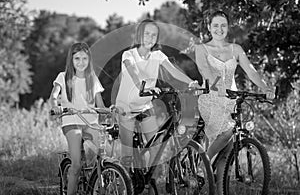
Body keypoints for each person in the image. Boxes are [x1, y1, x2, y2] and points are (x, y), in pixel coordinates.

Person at [194, 11, 275, 195]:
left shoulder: (235, 49)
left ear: (228, 27)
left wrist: (265, 88)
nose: (219, 29)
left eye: (223, 25)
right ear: (209, 27)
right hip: (211, 98)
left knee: (227, 152)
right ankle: (204, 162)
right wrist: (218, 86)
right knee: (229, 130)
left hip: (231, 99)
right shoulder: (201, 49)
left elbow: (251, 71)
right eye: (215, 25)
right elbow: (205, 71)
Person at [116, 19, 199, 169]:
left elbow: (174, 72)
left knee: (155, 152)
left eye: (154, 35)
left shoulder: (158, 55)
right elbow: (133, 72)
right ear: (140, 35)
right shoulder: (129, 54)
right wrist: (145, 86)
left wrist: (192, 83)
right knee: (127, 156)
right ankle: (123, 186)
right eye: (147, 34)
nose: (150, 38)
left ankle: (148, 184)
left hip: (145, 106)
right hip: (126, 108)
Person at [50, 42, 109, 195]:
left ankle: (97, 182)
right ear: (71, 60)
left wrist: (111, 110)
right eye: (77, 59)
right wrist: (55, 105)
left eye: (84, 58)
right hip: (71, 121)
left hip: (91, 122)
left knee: (106, 153)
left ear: (89, 60)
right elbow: (54, 96)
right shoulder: (63, 77)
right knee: (76, 165)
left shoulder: (93, 79)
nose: (81, 62)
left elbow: (100, 104)